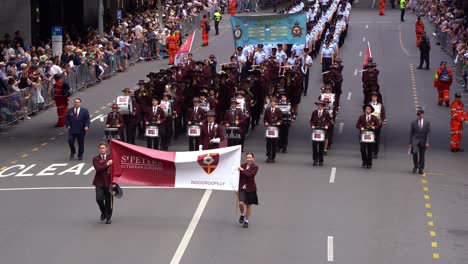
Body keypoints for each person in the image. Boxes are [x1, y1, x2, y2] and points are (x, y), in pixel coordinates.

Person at [92, 142, 113, 224]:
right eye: (100, 148)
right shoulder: (95, 158)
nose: (102, 149)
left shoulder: (111, 157)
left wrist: (114, 182)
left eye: (103, 148)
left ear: (106, 149)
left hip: (109, 182)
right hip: (99, 182)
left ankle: (108, 217)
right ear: (99, 149)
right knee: (99, 199)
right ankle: (103, 212)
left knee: (108, 201)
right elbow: (98, 168)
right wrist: (107, 164)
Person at [238, 152, 258, 228]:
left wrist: (242, 170)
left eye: (250, 157)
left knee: (249, 205)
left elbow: (250, 175)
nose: (249, 159)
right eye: (247, 157)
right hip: (242, 188)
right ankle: (242, 214)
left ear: (253, 158)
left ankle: (246, 221)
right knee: (241, 203)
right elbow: (238, 177)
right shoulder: (242, 165)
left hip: (251, 188)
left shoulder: (255, 167)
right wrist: (236, 188)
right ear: (246, 158)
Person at [356, 104, 380, 169]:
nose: (367, 110)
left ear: (371, 110)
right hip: (363, 134)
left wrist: (374, 127)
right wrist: (361, 127)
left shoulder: (374, 117)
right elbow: (357, 124)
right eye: (366, 109)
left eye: (369, 109)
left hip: (371, 135)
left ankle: (369, 163)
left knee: (370, 149)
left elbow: (378, 125)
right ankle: (364, 160)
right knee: (362, 148)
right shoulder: (361, 117)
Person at [408, 109, 431, 174]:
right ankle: (415, 166)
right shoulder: (413, 122)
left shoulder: (427, 123)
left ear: (422, 115)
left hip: (423, 141)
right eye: (417, 115)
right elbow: (411, 133)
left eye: (419, 115)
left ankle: (421, 168)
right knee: (414, 153)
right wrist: (410, 143)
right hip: (415, 140)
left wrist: (427, 142)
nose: (418, 116)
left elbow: (428, 133)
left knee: (422, 155)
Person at [310, 100, 331, 166]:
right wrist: (312, 125)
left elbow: (329, 121)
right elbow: (311, 121)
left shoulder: (326, 113)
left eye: (320, 105)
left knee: (321, 146)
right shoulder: (314, 112)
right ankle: (315, 160)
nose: (319, 106)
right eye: (318, 105)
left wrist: (327, 126)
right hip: (315, 131)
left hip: (323, 131)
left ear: (323, 106)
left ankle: (321, 160)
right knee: (314, 146)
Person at [264, 97, 283, 163]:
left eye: (273, 102)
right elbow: (265, 119)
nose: (272, 103)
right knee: (268, 143)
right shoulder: (267, 110)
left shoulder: (278, 110)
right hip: (269, 128)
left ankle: (273, 157)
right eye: (271, 102)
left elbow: (281, 119)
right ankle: (269, 156)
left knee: (274, 143)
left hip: (275, 128)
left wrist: (279, 122)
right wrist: (265, 122)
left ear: (275, 103)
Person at [368, 91, 386, 158]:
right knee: (370, 138)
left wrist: (383, 121)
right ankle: (371, 151)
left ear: (377, 98)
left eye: (375, 97)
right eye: (373, 97)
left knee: (377, 139)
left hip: (378, 124)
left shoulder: (380, 105)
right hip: (370, 124)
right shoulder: (369, 105)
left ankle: (375, 153)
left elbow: (383, 114)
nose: (374, 98)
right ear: (371, 98)